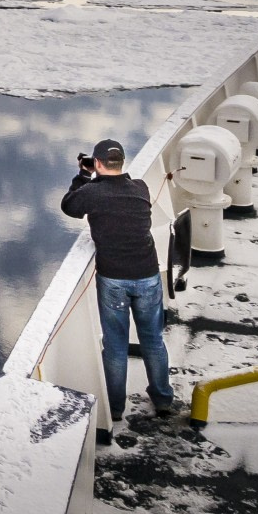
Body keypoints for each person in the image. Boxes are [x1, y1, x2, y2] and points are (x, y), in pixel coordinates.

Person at [61, 138, 176, 425]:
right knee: (153, 341)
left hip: (113, 280)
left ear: (97, 164)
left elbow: (69, 206)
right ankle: (162, 400)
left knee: (115, 346)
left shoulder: (92, 193)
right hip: (148, 276)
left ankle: (115, 408)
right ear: (121, 162)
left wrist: (83, 174)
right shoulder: (141, 187)